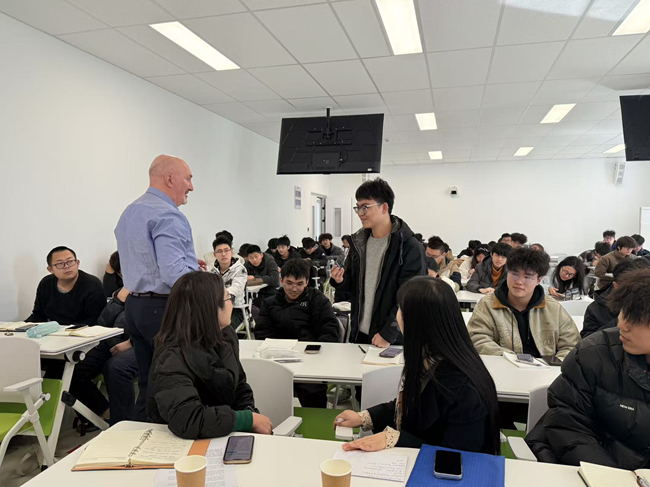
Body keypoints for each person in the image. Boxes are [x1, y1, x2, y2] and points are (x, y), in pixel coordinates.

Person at [334, 277, 500, 453]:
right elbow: (411, 407)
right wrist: (365, 417)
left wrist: (395, 439)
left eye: (401, 309)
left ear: (416, 322)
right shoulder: (430, 359)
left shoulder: (463, 389)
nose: (397, 315)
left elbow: (455, 456)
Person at [525, 268, 650, 469]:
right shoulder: (595, 353)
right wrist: (608, 477)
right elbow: (568, 424)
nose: (622, 324)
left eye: (637, 320)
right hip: (581, 469)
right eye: (624, 312)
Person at [115, 154, 205, 420]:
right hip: (164, 309)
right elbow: (174, 273)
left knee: (148, 384)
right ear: (169, 179)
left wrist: (189, 263)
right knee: (174, 386)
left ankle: (141, 437)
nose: (191, 186)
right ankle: (169, 439)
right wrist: (202, 283)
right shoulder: (169, 215)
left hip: (135, 307)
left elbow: (148, 261)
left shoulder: (130, 211)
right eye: (188, 179)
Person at [147, 272, 272, 439]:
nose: (232, 304)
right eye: (228, 298)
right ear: (210, 308)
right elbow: (188, 418)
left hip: (222, 432)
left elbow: (239, 384)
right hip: (183, 443)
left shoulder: (225, 334)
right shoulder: (171, 358)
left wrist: (249, 413)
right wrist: (245, 420)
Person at [330, 178, 426, 347]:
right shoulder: (359, 244)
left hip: (392, 338)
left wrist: (389, 333)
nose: (360, 213)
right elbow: (354, 287)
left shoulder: (408, 247)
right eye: (358, 207)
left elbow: (411, 298)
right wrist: (340, 281)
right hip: (360, 333)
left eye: (365, 207)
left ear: (384, 208)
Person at [467, 248, 580, 359]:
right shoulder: (487, 304)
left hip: (546, 369)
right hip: (504, 366)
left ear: (538, 280)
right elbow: (477, 338)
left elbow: (571, 345)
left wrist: (555, 364)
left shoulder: (553, 308)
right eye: (514, 274)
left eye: (527, 277)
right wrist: (513, 359)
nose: (519, 282)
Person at [255, 260, 339, 407]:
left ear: (307, 282)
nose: (294, 288)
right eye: (289, 283)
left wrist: (315, 351)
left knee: (312, 393)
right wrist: (277, 351)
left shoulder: (318, 300)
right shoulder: (269, 303)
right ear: (281, 280)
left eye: (299, 284)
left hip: (311, 360)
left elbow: (330, 330)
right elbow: (262, 332)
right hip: (278, 359)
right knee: (264, 391)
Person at [70, 285, 138, 426]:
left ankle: (124, 423)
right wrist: (119, 300)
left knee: (115, 367)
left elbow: (157, 325)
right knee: (73, 368)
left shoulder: (159, 291)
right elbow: (103, 322)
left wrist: (131, 343)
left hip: (140, 343)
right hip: (110, 341)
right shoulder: (124, 291)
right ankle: (103, 413)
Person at [27, 246, 105, 326]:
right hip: (54, 331)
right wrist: (22, 326)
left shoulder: (92, 284)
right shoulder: (46, 283)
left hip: (83, 331)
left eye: (70, 261)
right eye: (60, 264)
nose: (66, 266)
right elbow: (38, 315)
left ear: (77, 263)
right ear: (51, 269)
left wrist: (67, 330)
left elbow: (95, 319)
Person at [581, 258, 650, 338]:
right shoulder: (596, 309)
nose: (641, 293)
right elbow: (587, 340)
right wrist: (623, 319)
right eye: (635, 289)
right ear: (616, 286)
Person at [210, 235, 247, 330]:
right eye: (219, 251)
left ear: (232, 251)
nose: (223, 254)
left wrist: (217, 295)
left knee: (221, 328)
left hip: (236, 309)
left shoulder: (240, 269)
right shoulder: (211, 271)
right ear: (214, 254)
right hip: (215, 309)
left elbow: (236, 289)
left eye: (226, 250)